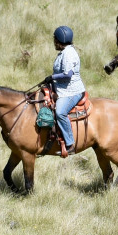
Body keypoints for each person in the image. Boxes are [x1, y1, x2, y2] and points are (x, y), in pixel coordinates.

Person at [49, 26, 85, 159]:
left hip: (71, 91)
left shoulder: (69, 54)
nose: (54, 42)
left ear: (59, 40)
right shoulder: (64, 52)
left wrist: (52, 78)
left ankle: (70, 144)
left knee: (60, 112)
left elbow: (68, 74)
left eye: (55, 40)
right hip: (62, 88)